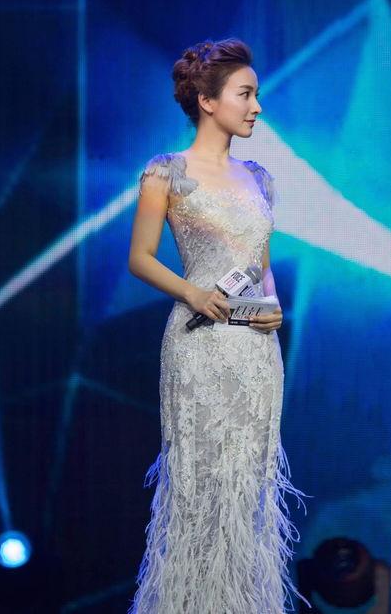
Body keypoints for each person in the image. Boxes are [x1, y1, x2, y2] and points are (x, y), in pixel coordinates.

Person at [127, 38, 309, 614]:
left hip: (256, 349)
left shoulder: (260, 177)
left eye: (256, 95)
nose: (257, 106)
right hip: (199, 344)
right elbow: (140, 258)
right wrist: (193, 293)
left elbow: (260, 265)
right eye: (245, 94)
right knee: (200, 485)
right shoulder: (166, 172)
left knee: (247, 490)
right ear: (207, 101)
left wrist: (272, 305)